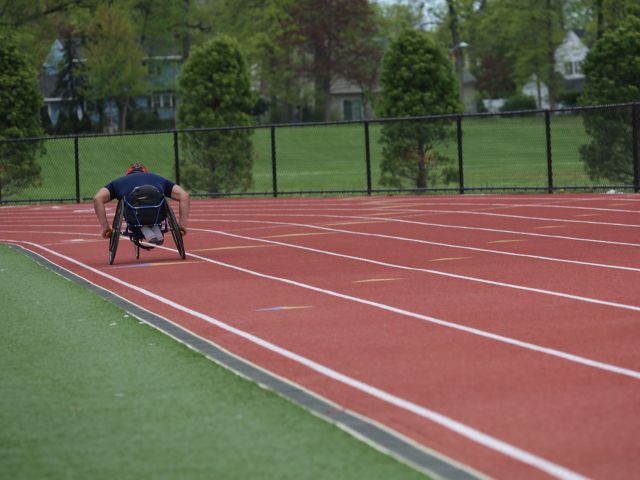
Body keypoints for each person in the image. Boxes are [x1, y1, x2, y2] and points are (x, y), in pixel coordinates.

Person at [93, 163, 190, 242]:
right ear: (145, 173)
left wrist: (105, 227)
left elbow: (98, 198)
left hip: (134, 217)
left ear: (128, 174)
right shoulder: (158, 178)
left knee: (131, 206)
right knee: (155, 205)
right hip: (158, 215)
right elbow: (184, 196)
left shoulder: (118, 182)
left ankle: (145, 228)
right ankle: (155, 228)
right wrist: (182, 225)